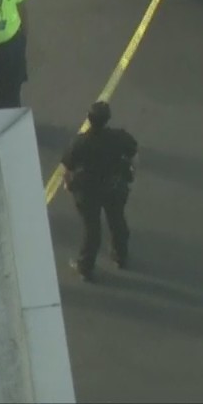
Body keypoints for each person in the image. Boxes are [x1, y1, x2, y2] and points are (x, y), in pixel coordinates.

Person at [63, 101, 139, 282]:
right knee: (117, 220)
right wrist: (131, 173)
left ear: (89, 119)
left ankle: (85, 267)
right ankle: (120, 255)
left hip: (88, 191)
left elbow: (67, 168)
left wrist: (68, 185)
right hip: (113, 187)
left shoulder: (80, 142)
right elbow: (134, 154)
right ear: (108, 119)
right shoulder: (120, 137)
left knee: (92, 229)